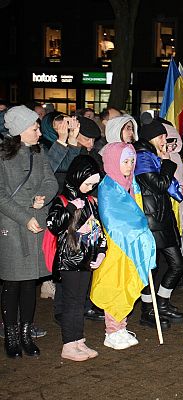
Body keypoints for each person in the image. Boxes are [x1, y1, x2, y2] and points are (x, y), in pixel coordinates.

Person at [0, 105, 58, 358]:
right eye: (35, 127)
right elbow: (1, 196)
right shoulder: (2, 156)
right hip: (12, 226)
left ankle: (26, 333)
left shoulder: (38, 151)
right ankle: (11, 336)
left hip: (37, 222)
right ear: (21, 130)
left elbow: (51, 180)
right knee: (13, 283)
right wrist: (24, 217)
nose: (39, 131)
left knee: (29, 283)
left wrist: (42, 197)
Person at [91, 142, 151, 350]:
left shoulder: (131, 184)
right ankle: (112, 330)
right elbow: (114, 219)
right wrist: (139, 230)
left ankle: (121, 326)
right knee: (114, 284)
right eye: (124, 161)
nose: (129, 165)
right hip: (116, 246)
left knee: (127, 282)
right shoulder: (108, 187)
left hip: (131, 245)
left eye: (132, 161)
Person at [46, 155, 106, 361]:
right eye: (87, 183)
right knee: (71, 302)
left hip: (86, 260)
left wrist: (101, 252)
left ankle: (78, 339)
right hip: (68, 261)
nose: (90, 188)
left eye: (93, 184)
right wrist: (71, 207)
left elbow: (99, 230)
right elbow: (53, 224)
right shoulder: (62, 200)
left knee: (81, 301)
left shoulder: (90, 202)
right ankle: (68, 344)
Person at [134, 119, 183, 328]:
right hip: (151, 220)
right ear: (152, 138)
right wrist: (167, 163)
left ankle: (162, 302)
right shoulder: (142, 157)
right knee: (151, 269)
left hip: (163, 218)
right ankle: (148, 309)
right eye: (162, 136)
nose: (166, 140)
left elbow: (169, 187)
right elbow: (159, 184)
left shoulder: (154, 157)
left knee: (177, 265)